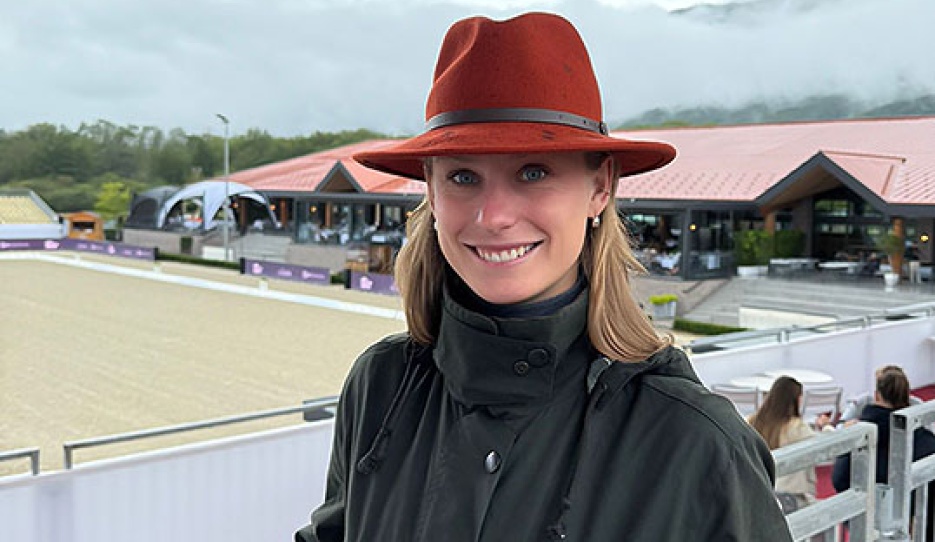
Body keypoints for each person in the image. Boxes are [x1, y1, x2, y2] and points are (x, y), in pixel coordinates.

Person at [295, 12, 791, 542]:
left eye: (534, 172)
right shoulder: (380, 386)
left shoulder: (696, 440)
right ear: (432, 194)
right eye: (463, 176)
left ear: (600, 188)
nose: (493, 216)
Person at [832, 365, 935, 540]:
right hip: (914, 527)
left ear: (877, 395)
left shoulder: (860, 437)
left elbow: (839, 478)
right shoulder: (926, 439)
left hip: (868, 523)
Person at [748, 377, 824, 510]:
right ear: (795, 400)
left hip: (759, 492)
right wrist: (825, 427)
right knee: (827, 511)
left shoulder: (752, 422)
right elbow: (823, 446)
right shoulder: (796, 428)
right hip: (791, 496)